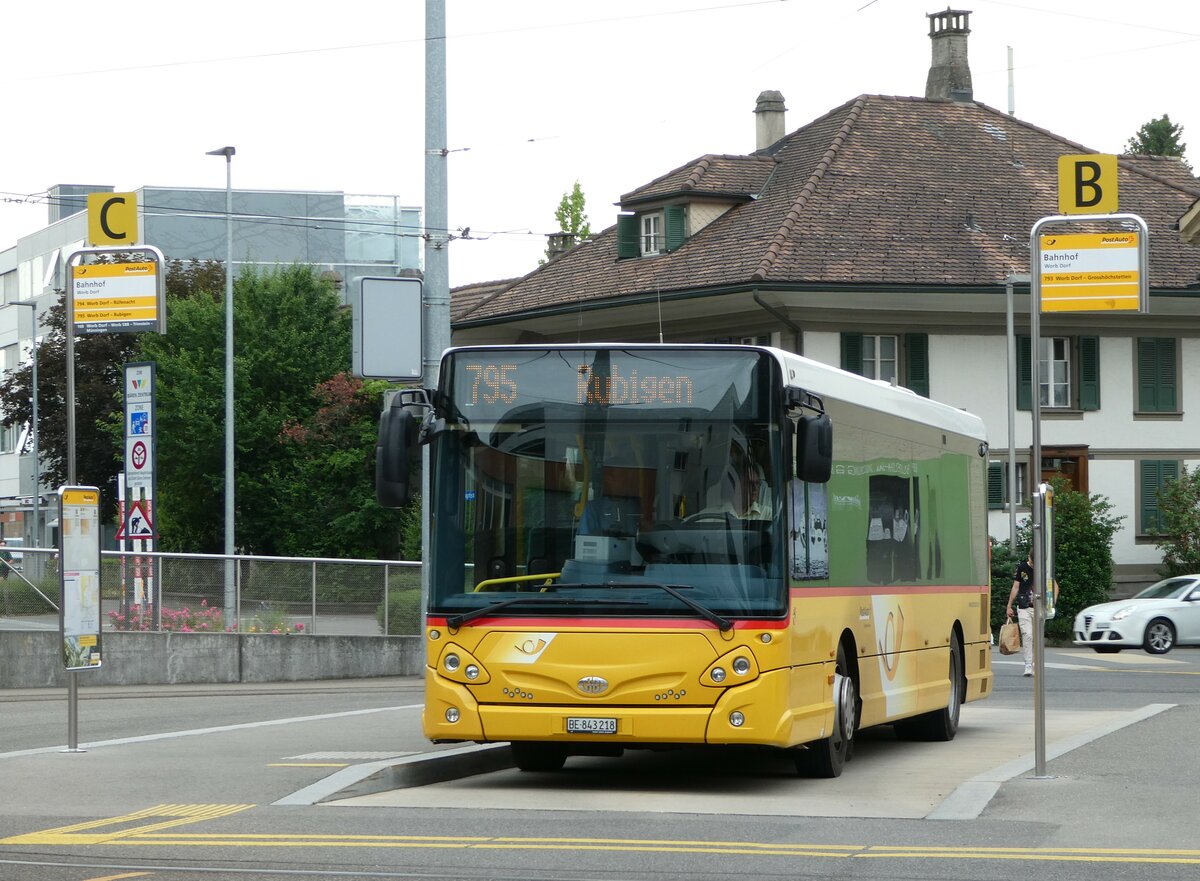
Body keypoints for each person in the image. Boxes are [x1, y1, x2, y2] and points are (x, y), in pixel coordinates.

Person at [1006, 553, 1035, 677]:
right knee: (1027, 635)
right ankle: (1028, 664)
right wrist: (1009, 606)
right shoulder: (1022, 567)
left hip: (1039, 607)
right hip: (1024, 606)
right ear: (1029, 558)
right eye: (1032, 562)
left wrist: (1052, 603)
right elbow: (1016, 586)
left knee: (1036, 637)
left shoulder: (1044, 568)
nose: (1033, 565)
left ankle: (1035, 663)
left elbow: (1054, 585)